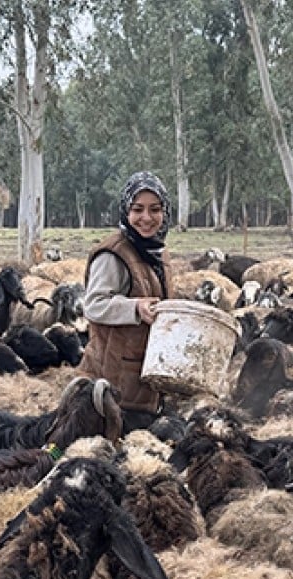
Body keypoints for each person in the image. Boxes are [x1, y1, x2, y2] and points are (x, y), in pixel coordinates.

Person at [78, 171, 173, 431]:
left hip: (142, 378)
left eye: (155, 209)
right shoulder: (113, 255)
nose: (146, 218)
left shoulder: (156, 252)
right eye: (137, 209)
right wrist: (135, 307)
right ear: (125, 211)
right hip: (112, 383)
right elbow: (94, 304)